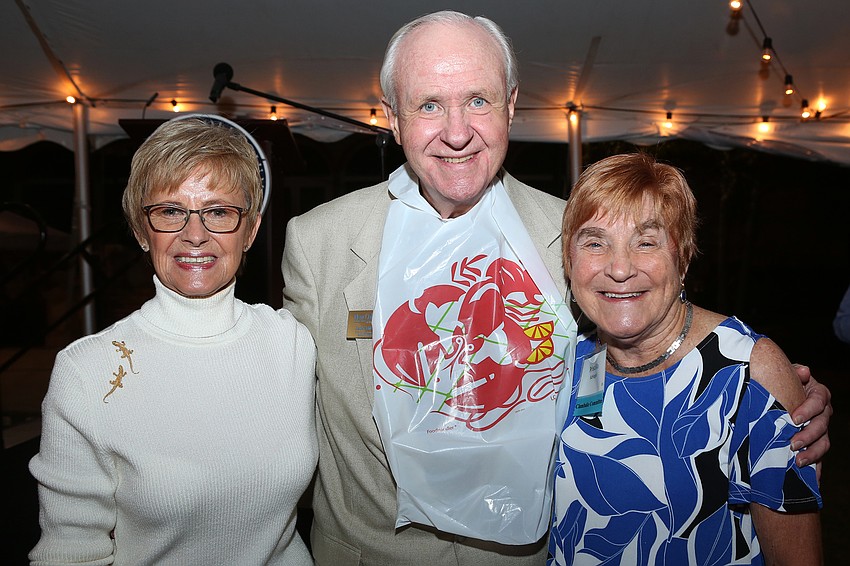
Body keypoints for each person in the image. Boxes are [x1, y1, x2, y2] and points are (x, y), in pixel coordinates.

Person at [281, 11, 832, 565]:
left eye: (478, 100)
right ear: (394, 119)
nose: (456, 130)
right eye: (428, 105)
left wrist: (776, 400)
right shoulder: (318, 242)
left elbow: (641, 346)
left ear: (511, 105)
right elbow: (277, 407)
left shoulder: (571, 233)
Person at [29, 117, 318, 565]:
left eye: (219, 211)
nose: (195, 234)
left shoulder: (292, 344)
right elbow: (70, 552)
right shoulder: (88, 371)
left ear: (252, 230)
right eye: (170, 211)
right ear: (142, 231)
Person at [549, 153, 822, 565]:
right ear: (570, 263)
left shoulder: (748, 370)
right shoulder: (565, 360)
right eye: (595, 242)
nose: (620, 268)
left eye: (646, 242)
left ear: (683, 259)